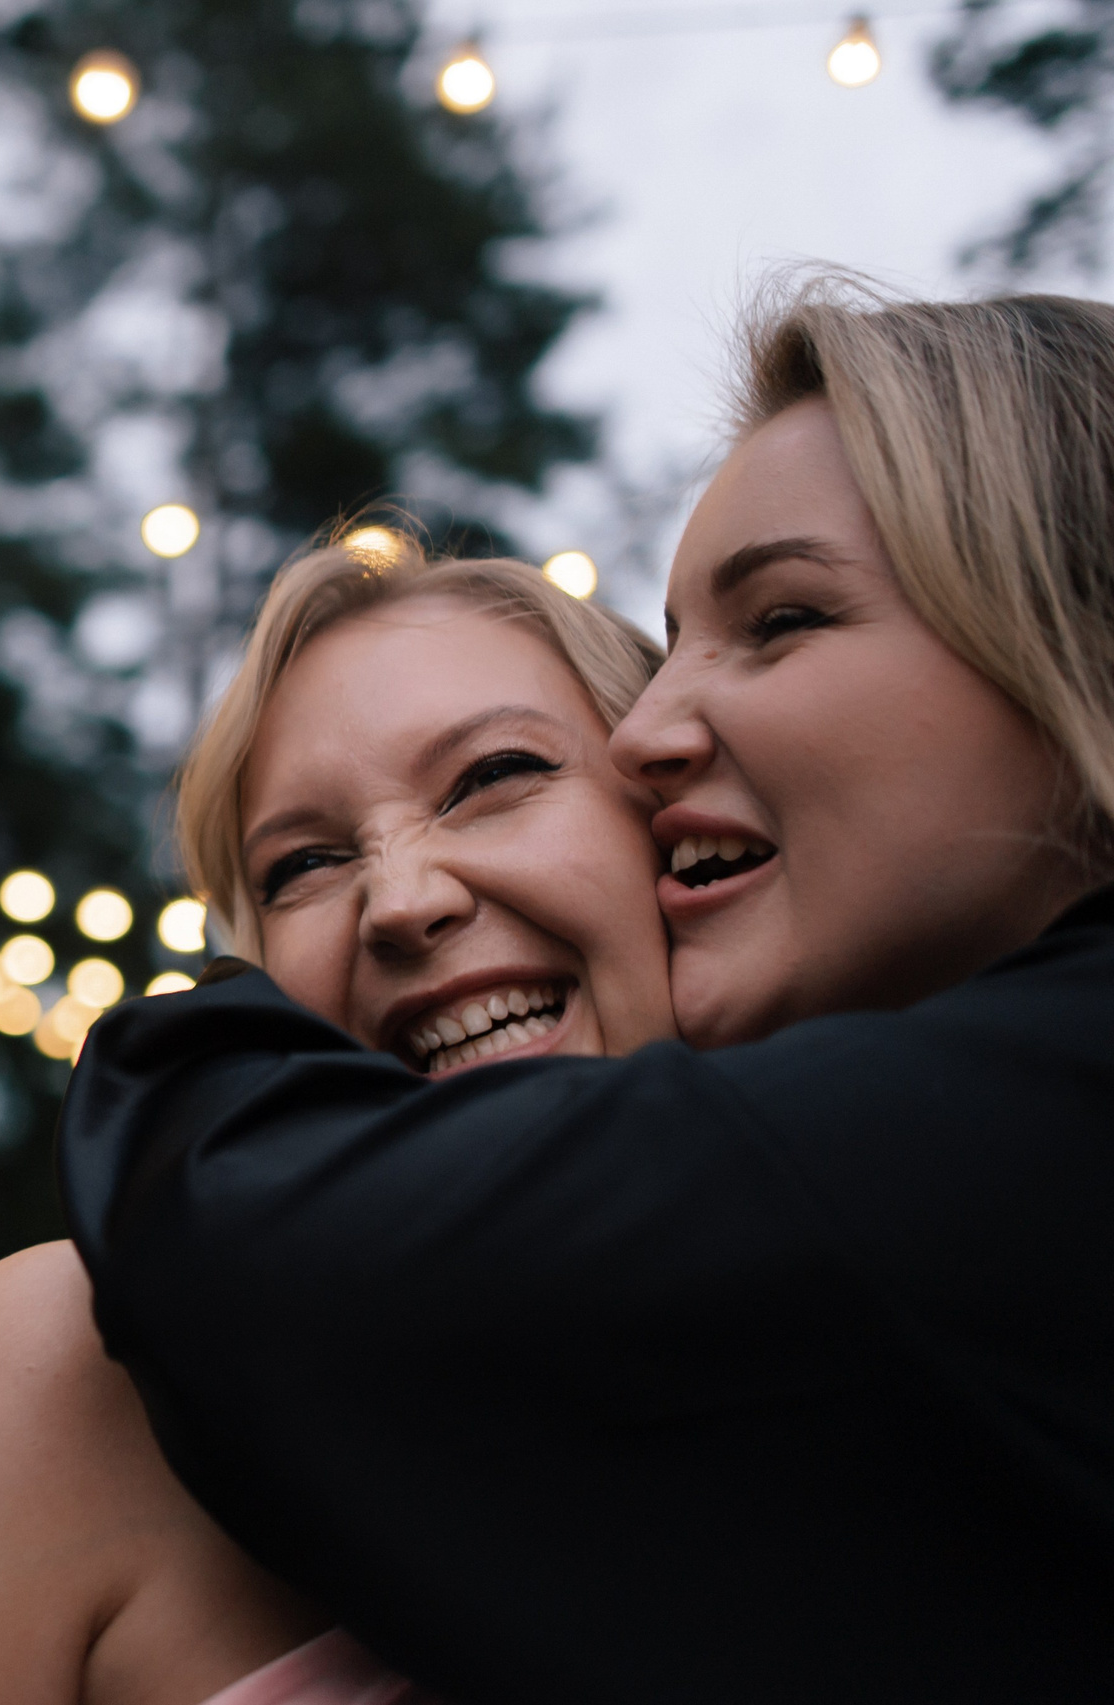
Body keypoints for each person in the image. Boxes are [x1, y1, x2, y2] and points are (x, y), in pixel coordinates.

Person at [63, 283, 1114, 1704]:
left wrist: (175, 1081)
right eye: (303, 863)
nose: (660, 735)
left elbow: (252, 1235)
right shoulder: (54, 1379)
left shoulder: (993, 1150)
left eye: (783, 618)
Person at [0, 542, 670, 1705]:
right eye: (305, 863)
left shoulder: (931, 1309)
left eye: (490, 776)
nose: (403, 899)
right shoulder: (61, 1367)